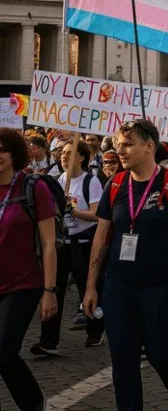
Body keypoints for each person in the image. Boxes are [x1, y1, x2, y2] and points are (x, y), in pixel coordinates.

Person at [84, 118, 168, 411]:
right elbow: (101, 236)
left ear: (150, 146)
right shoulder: (116, 184)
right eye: (117, 145)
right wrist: (90, 286)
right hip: (119, 284)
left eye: (128, 145)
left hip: (161, 285)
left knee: (160, 353)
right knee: (122, 358)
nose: (120, 151)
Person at [0, 128, 59, 411]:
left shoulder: (34, 187)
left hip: (22, 284)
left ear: (15, 153)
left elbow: (49, 243)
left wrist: (49, 290)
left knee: (4, 353)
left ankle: (34, 404)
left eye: (3, 149)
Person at [35, 138, 104, 355]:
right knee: (54, 289)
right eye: (62, 153)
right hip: (60, 245)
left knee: (87, 288)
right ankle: (48, 340)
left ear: (82, 157)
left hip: (82, 245)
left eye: (69, 152)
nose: (64, 156)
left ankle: (95, 329)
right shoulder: (56, 180)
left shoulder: (90, 181)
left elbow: (97, 215)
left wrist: (73, 212)